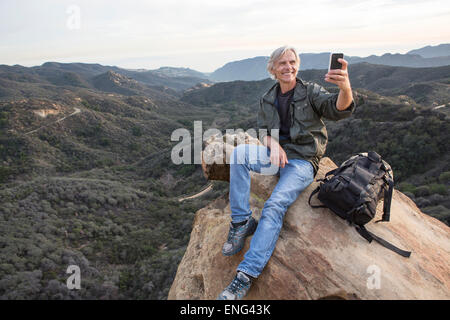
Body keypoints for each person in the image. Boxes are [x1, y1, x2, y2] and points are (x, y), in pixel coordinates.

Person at [217, 45, 356, 300]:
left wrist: (345, 87)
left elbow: (338, 109)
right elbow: (263, 131)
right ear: (273, 69)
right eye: (282, 63)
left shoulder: (311, 92)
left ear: (298, 65)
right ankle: (241, 222)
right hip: (276, 156)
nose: (288, 67)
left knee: (274, 206)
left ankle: (244, 276)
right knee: (239, 155)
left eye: (292, 62)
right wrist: (273, 144)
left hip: (302, 161)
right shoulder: (268, 98)